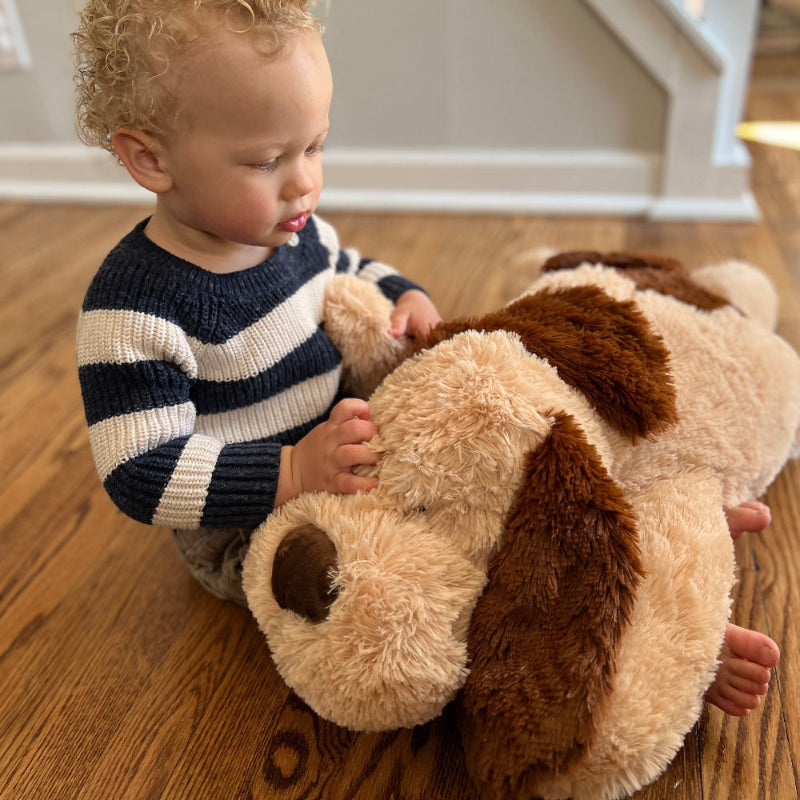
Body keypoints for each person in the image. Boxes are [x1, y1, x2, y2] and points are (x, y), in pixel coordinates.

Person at [73, 0, 778, 719]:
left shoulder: (289, 229)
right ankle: (659, 652)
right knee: (434, 579)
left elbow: (347, 266)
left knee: (509, 448)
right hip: (249, 519)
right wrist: (287, 472)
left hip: (349, 441)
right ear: (150, 159)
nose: (304, 183)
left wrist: (402, 292)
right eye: (265, 161)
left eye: (314, 147)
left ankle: (654, 517)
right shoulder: (135, 308)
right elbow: (139, 469)